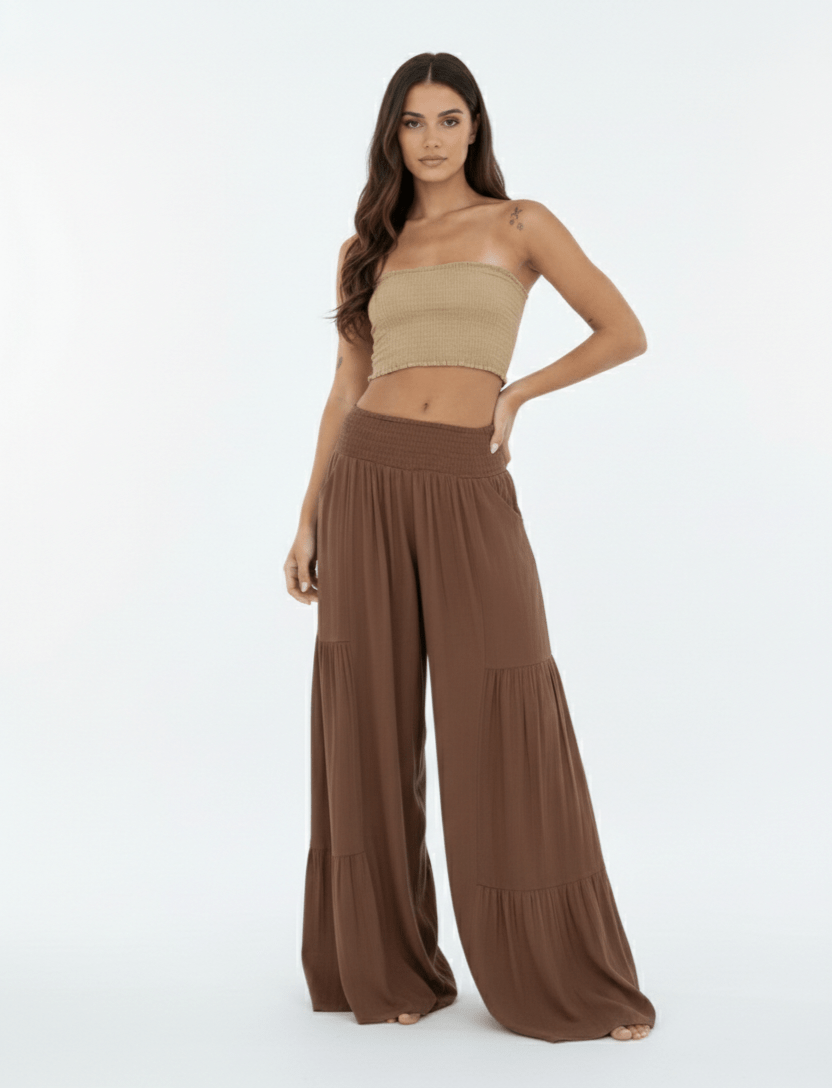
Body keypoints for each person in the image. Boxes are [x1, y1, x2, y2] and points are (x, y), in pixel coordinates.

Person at [285, 52, 657, 1044]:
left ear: (476, 127)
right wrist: (308, 515)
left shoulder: (520, 224)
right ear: (392, 135)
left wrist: (518, 392)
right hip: (367, 478)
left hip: (466, 479)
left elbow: (623, 331)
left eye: (450, 118)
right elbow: (345, 385)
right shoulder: (367, 247)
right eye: (412, 121)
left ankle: (559, 972)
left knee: (502, 701)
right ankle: (389, 966)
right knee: (366, 716)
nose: (432, 138)